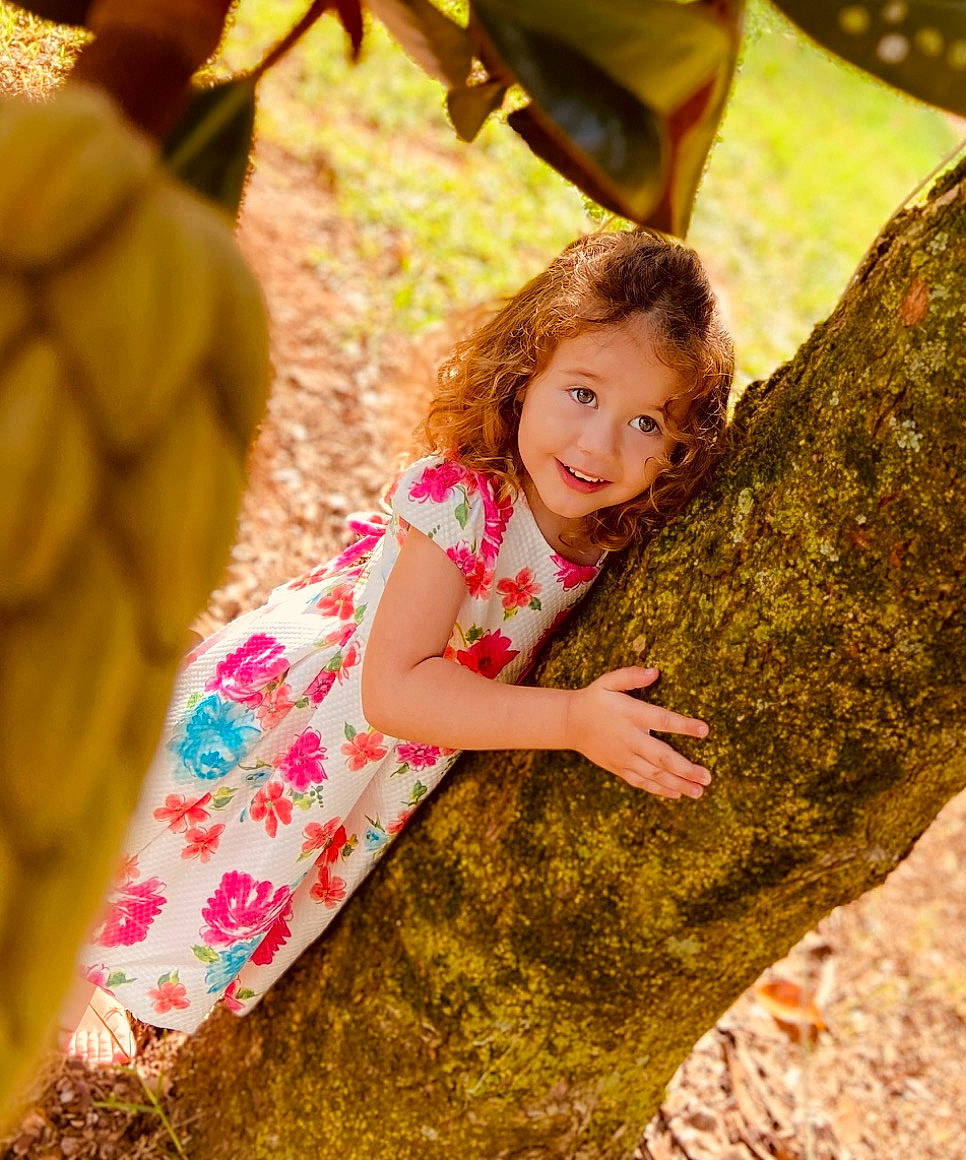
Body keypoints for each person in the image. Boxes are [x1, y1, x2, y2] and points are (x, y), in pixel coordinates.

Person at [58, 230, 733, 1068]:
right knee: (124, 860)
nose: (600, 446)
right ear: (524, 378)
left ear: (681, 449)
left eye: (646, 422)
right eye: (583, 394)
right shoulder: (466, 502)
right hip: (295, 729)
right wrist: (573, 720)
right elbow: (395, 692)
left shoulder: (610, 543)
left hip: (358, 771)